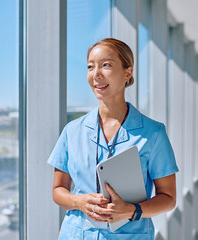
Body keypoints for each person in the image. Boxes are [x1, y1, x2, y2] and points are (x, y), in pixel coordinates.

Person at [47, 38, 179, 239]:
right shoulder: (72, 131)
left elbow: (168, 198)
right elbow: (58, 190)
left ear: (128, 73)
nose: (96, 74)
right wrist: (78, 202)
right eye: (91, 67)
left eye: (106, 65)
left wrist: (131, 210)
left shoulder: (153, 133)